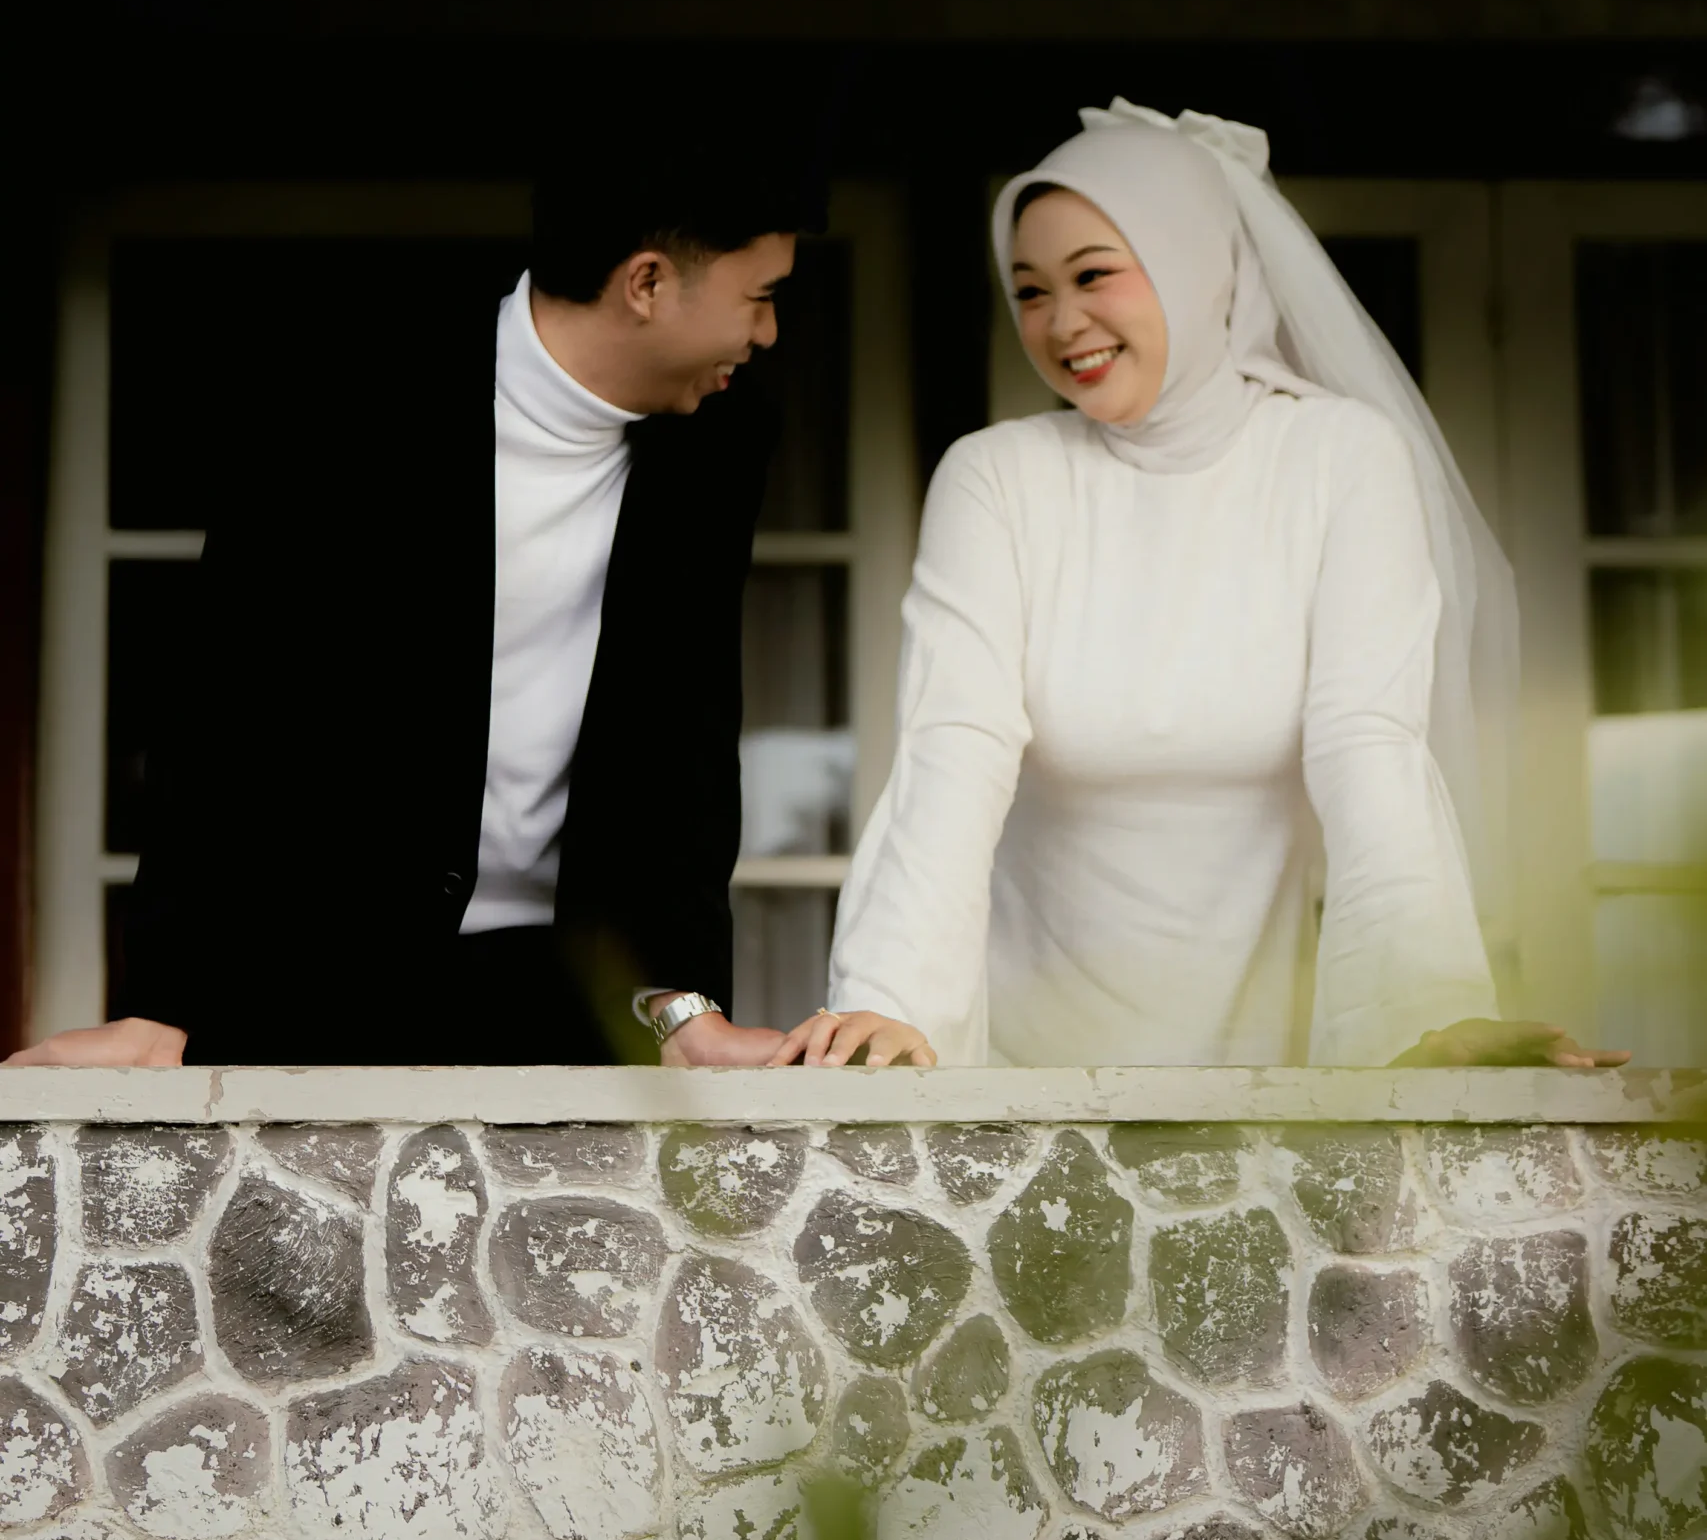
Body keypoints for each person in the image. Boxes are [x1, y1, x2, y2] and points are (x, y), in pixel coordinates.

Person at [8, 122, 931, 1071]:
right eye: (760, 297)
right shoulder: (344, 396)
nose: (769, 333)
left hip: (558, 1008)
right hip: (306, 993)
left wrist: (680, 1007)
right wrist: (162, 1006)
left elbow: (682, 740)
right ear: (647, 283)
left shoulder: (721, 440)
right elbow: (221, 710)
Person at [776, 102, 1625, 1074]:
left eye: (1094, 274)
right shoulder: (997, 476)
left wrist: (1429, 1009)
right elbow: (950, 752)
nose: (1061, 324)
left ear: (1198, 265)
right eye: (1029, 291)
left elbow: (1369, 748)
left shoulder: (1340, 458)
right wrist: (889, 1004)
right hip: (1020, 1071)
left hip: (1267, 1069)